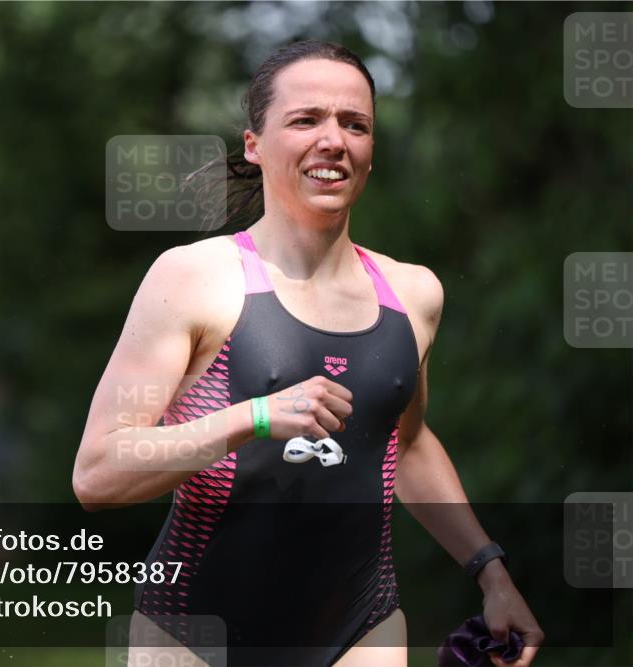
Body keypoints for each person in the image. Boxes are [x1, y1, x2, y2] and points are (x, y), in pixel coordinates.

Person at [73, 41, 543, 667]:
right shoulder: (191, 279)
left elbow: (406, 444)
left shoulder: (413, 294)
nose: (334, 140)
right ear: (254, 144)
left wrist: (493, 576)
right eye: (306, 120)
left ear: (371, 152)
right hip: (194, 634)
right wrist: (254, 417)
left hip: (362, 630)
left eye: (356, 124)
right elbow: (98, 473)